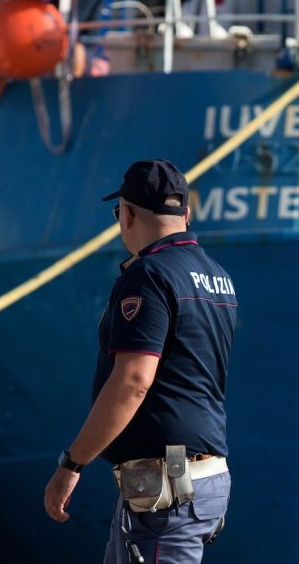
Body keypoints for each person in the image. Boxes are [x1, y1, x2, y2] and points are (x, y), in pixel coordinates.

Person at [44, 159, 237, 563]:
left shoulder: (149, 274)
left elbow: (133, 381)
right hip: (193, 482)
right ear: (186, 214)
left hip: (166, 495)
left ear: (127, 215)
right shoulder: (217, 277)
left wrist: (72, 463)